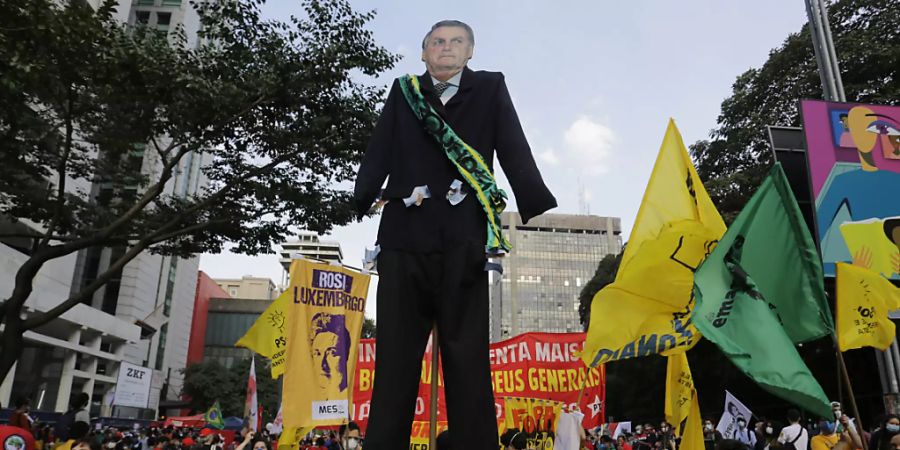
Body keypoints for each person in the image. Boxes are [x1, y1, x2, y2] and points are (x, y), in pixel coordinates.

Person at [354, 19, 555, 450]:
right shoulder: (403, 91)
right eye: (437, 42)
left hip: (464, 242)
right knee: (394, 362)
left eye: (456, 42)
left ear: (470, 52)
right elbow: (381, 147)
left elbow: (512, 142)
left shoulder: (489, 87)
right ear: (424, 53)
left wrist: (532, 196)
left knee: (466, 358)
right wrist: (361, 194)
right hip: (402, 240)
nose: (446, 48)